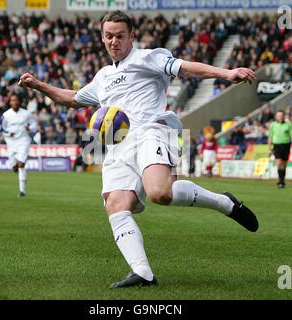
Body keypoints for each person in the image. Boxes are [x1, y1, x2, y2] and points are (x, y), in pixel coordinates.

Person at [18, 11, 258, 288]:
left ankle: (224, 202)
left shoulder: (148, 57)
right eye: (108, 36)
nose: (114, 41)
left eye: (120, 35)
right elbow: (73, 98)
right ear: (102, 37)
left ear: (131, 36)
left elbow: (186, 68)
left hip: (149, 132)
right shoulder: (103, 76)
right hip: (117, 144)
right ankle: (142, 272)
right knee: (116, 204)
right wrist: (38, 85)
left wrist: (226, 73)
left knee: (160, 193)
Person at [1, 94, 37, 197]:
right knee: (15, 167)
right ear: (10, 102)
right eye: (12, 100)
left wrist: (30, 129)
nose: (14, 102)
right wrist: (8, 133)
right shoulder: (6, 115)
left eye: (16, 100)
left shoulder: (26, 114)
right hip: (11, 142)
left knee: (21, 164)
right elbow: (2, 128)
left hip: (23, 140)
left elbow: (33, 124)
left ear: (20, 102)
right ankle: (22, 175)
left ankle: (22, 191)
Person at [268, 110, 292, 188]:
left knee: (284, 165)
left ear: (284, 116)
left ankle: (282, 180)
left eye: (281, 115)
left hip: (286, 145)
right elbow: (270, 137)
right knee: (279, 164)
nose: (280, 117)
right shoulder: (273, 125)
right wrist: (269, 148)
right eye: (278, 115)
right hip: (277, 146)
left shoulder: (288, 124)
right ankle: (280, 181)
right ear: (276, 116)